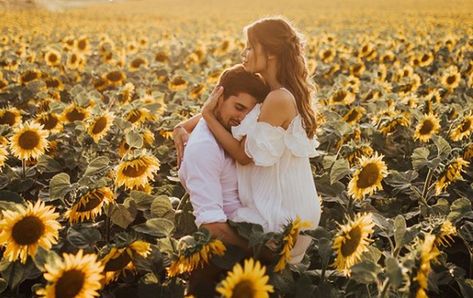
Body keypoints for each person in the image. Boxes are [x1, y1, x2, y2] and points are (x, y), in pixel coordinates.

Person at [175, 16, 322, 261]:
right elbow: (225, 103)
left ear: (271, 53)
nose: (245, 53)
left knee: (210, 232)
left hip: (283, 215)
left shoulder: (278, 98)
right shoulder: (268, 88)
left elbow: (243, 156)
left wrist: (207, 116)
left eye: (251, 47)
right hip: (280, 203)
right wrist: (182, 125)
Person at [177, 64, 271, 297]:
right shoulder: (204, 148)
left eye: (249, 113)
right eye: (238, 108)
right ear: (218, 97)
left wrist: (181, 125)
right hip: (227, 260)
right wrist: (263, 253)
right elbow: (212, 225)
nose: (242, 119)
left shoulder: (226, 129)